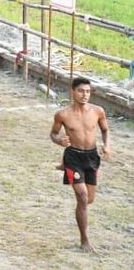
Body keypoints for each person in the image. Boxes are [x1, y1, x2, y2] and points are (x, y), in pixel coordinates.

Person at [49, 77, 112, 253]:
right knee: (82, 198)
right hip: (73, 157)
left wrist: (106, 145)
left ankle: (62, 166)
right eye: (81, 91)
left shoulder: (98, 111)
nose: (85, 95)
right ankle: (84, 240)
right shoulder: (62, 114)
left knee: (89, 199)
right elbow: (53, 134)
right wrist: (59, 141)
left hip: (91, 157)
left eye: (88, 91)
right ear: (73, 91)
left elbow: (105, 130)